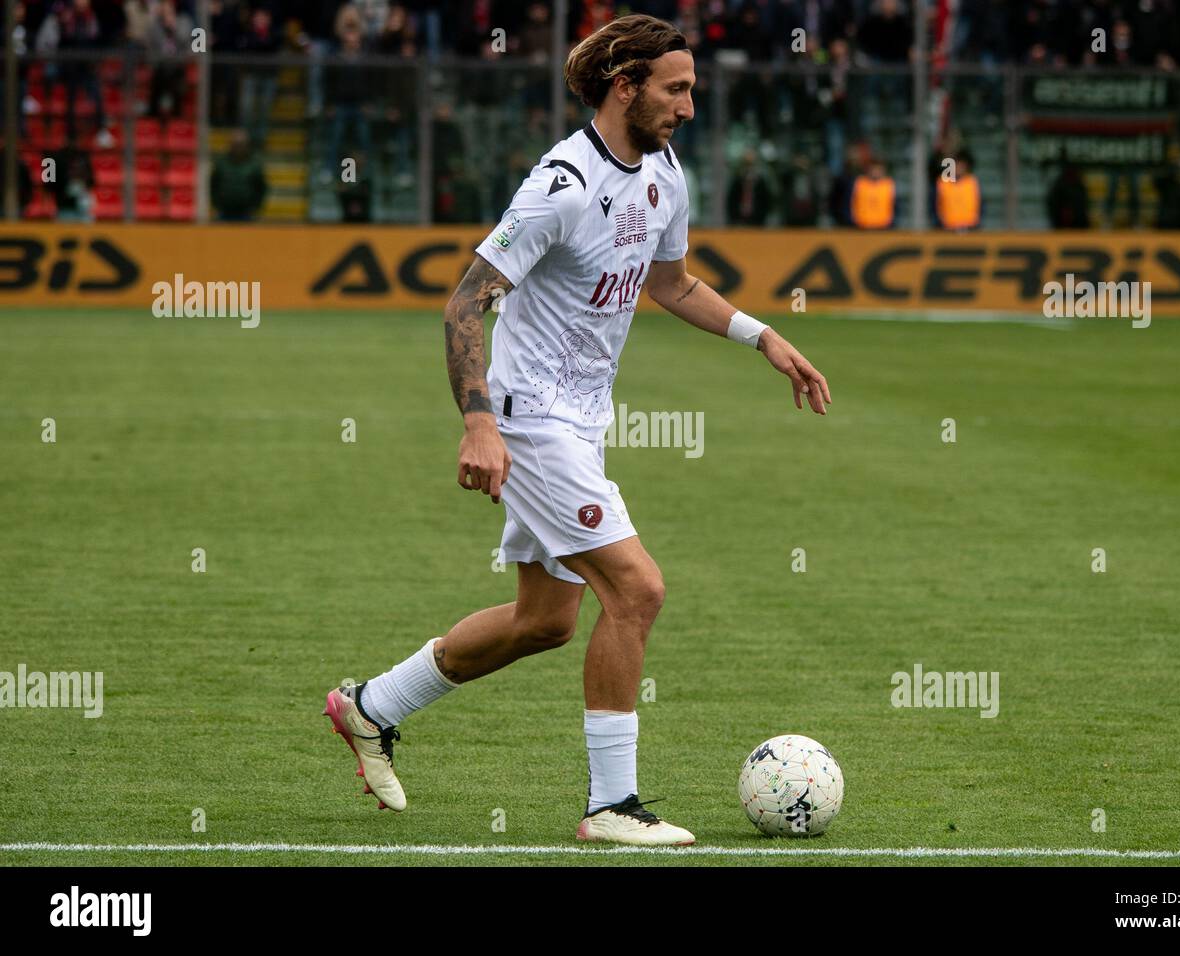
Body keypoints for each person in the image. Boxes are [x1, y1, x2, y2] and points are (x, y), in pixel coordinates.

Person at [322, 13, 832, 847]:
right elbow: (466, 301)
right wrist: (480, 423)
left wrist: (762, 336)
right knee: (637, 590)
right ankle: (612, 805)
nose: (690, 106)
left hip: (583, 425)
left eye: (692, 88)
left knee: (547, 621)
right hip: (531, 424)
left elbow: (669, 283)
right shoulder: (558, 186)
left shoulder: (665, 171)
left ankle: (370, 707)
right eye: (676, 88)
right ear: (624, 87)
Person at [209, 130, 267, 221]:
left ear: (246, 145)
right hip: (224, 212)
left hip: (247, 213)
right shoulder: (221, 163)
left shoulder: (254, 164)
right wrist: (215, 204)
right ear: (230, 145)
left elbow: (261, 187)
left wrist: (256, 207)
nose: (238, 148)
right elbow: (213, 184)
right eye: (235, 144)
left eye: (241, 144)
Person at [851, 159, 896, 229]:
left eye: (878, 170)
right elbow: (852, 202)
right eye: (873, 169)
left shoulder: (889, 184)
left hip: (883, 226)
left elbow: (894, 205)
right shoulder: (859, 183)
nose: (875, 172)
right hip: (861, 225)